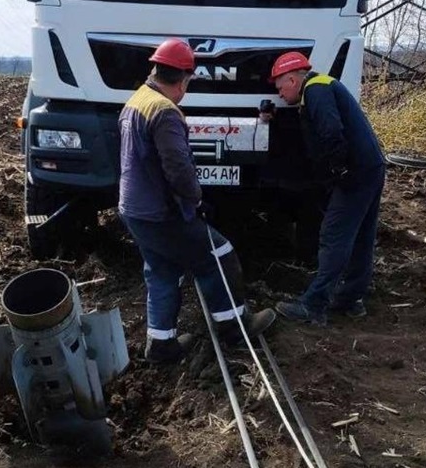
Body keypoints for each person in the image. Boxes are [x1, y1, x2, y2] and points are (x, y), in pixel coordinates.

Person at [119, 38, 276, 363]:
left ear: (155, 69)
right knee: (219, 255)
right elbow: (177, 166)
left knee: (162, 270)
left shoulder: (137, 100)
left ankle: (161, 345)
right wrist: (195, 199)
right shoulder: (164, 111)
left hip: (134, 210)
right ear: (185, 78)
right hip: (160, 213)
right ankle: (236, 329)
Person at [268, 51, 386, 327]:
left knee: (334, 234)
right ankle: (350, 300)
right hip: (371, 167)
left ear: (293, 79)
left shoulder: (316, 89)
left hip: (355, 173)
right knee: (361, 236)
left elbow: (331, 132)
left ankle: (314, 305)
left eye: (280, 87)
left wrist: (338, 171)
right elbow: (310, 130)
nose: (279, 94)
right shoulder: (319, 88)